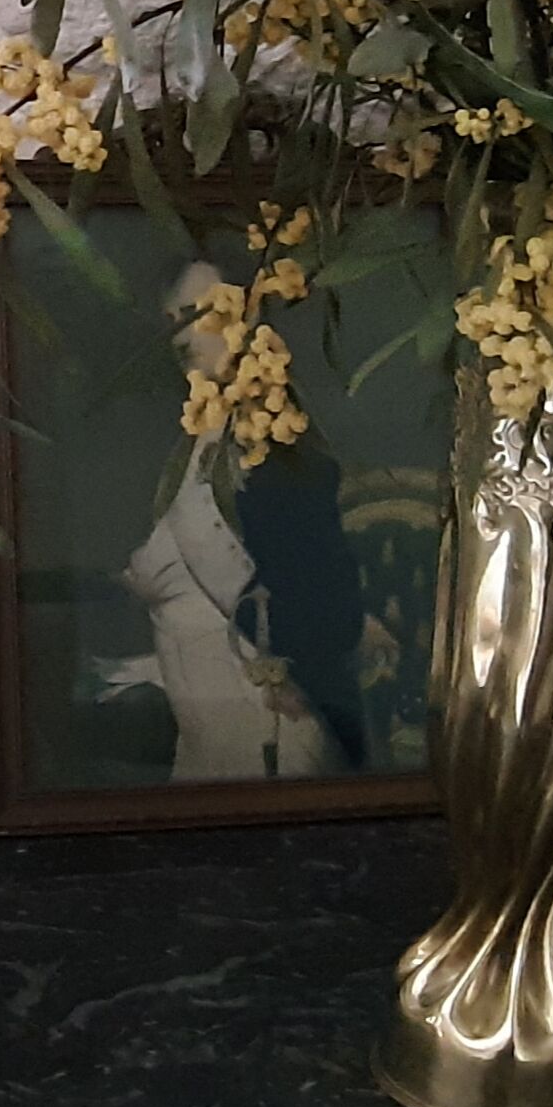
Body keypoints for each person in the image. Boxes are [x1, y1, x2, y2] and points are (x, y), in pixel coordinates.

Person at [115, 263, 347, 783]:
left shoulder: (278, 441)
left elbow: (320, 586)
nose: (184, 334)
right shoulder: (185, 440)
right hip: (199, 726)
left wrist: (294, 664)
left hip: (267, 724)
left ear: (252, 315)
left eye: (205, 314)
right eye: (175, 317)